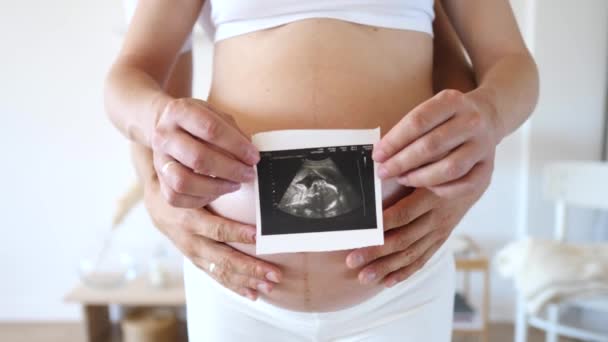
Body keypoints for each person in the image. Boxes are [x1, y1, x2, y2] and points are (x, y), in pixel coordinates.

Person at [106, 0, 538, 340]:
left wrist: (490, 116)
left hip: (400, 289)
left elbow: (511, 61)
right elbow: (131, 76)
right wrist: (158, 124)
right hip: (236, 293)